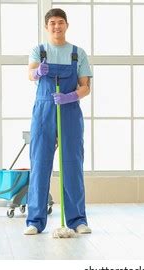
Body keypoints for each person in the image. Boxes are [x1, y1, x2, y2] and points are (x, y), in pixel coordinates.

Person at [24, 8, 92, 235]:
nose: (56, 26)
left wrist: (70, 96)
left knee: (72, 165)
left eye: (60, 22)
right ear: (46, 27)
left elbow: (85, 87)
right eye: (52, 23)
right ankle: (34, 221)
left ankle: (78, 220)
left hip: (70, 111)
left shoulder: (77, 53)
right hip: (44, 111)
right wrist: (38, 73)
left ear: (67, 25)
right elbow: (30, 74)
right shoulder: (39, 50)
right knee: (40, 164)